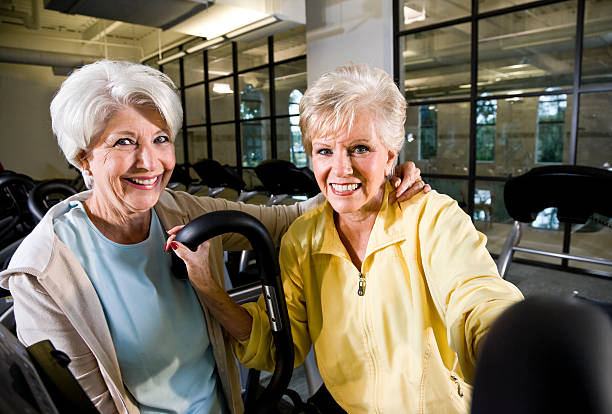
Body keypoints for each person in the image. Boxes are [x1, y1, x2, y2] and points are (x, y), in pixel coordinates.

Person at [0, 60, 427, 414]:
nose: (149, 161)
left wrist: (377, 176)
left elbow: (289, 220)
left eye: (161, 139)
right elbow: (85, 405)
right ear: (83, 157)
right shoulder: (43, 270)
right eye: (124, 142)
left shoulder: (178, 208)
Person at [171, 62, 524, 414]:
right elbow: (277, 347)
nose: (340, 169)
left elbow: (476, 296)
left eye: (359, 148)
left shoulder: (432, 219)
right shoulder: (302, 240)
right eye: (325, 151)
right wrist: (209, 288)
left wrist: (510, 345)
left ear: (390, 154)